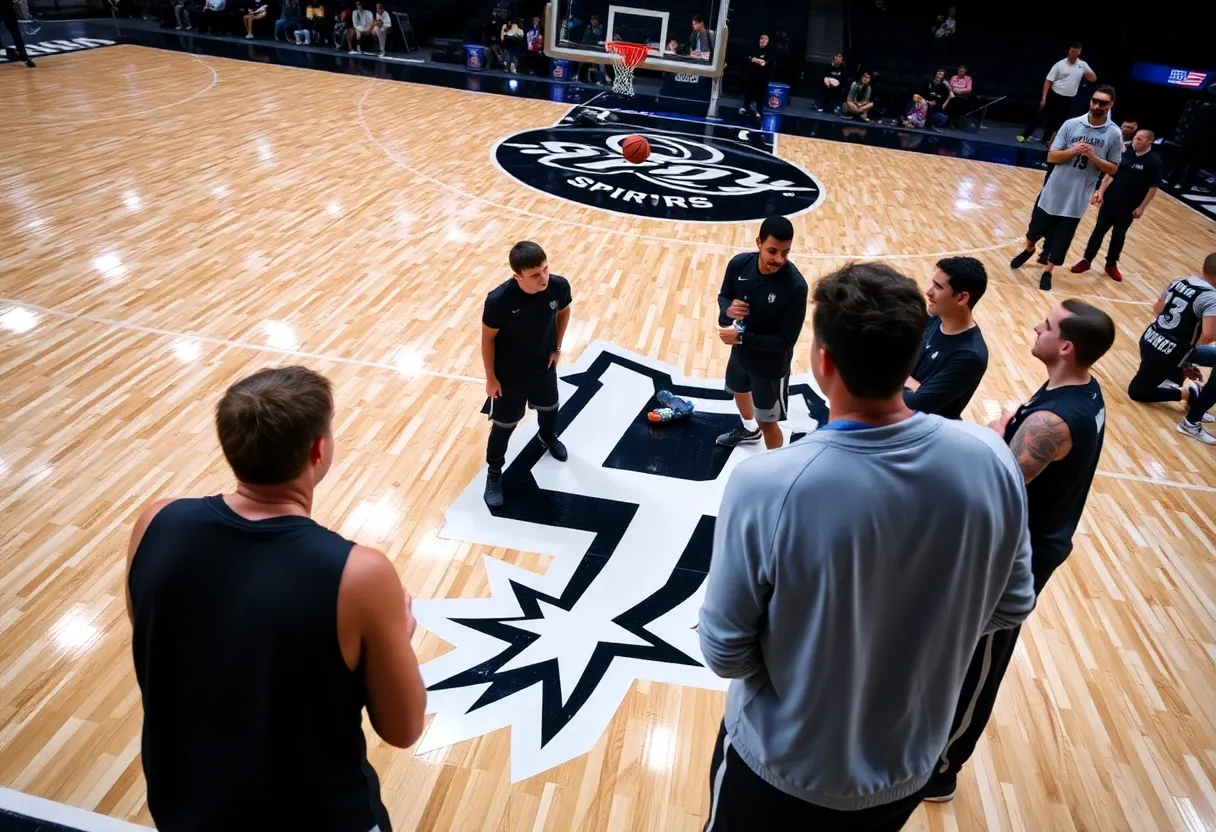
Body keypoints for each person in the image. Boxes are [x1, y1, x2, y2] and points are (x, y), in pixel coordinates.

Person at [698, 262, 1035, 830]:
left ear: (823, 361)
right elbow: (1012, 604)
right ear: (911, 360)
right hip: (905, 768)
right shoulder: (993, 459)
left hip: (781, 769)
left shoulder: (769, 484)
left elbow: (726, 651)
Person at [127, 366, 427, 832]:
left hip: (186, 804)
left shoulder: (155, 522)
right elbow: (403, 730)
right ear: (318, 450)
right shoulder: (361, 575)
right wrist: (396, 640)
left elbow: (159, 639)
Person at [924, 300, 1114, 802]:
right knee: (960, 647)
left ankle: (942, 769)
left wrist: (994, 437)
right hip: (1018, 540)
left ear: (1066, 346)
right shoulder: (1080, 389)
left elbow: (996, 487)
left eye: (1047, 326)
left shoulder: (1055, 420)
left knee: (982, 656)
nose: (1036, 325)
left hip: (1018, 555)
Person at [481, 241, 572, 507]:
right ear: (517, 276)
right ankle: (494, 472)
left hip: (543, 366)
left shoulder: (558, 286)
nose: (543, 278)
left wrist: (556, 346)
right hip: (508, 375)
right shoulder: (498, 300)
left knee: (550, 408)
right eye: (534, 275)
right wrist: (491, 378)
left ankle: (547, 437)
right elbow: (487, 339)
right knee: (504, 427)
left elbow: (564, 311)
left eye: (545, 269)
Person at [1010, 85, 1121, 291]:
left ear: (1110, 105)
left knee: (1061, 240)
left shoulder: (1113, 134)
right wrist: (1073, 151)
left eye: (1102, 103)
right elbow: (1051, 156)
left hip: (1077, 197)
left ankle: (1048, 272)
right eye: (1094, 101)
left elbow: (1114, 169)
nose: (1097, 105)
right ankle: (1028, 250)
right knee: (1033, 232)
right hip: (1054, 190)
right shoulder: (1071, 124)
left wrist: (1094, 157)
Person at [714, 216, 807, 450]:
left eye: (785, 253)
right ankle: (748, 428)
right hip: (741, 352)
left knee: (768, 423)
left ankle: (774, 472)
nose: (779, 259)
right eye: (773, 251)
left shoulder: (795, 287)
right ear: (759, 243)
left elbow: (786, 342)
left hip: (771, 365)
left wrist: (741, 338)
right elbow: (724, 297)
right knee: (738, 389)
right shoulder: (739, 265)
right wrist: (729, 310)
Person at [1126, 254, 1216, 444]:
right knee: (1138, 392)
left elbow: (1157, 309)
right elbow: (1208, 336)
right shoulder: (1212, 298)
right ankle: (1191, 406)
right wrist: (1187, 357)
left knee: (1141, 388)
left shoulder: (1181, 280)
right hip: (1169, 352)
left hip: (1150, 339)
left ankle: (1181, 385)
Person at [1071, 129, 1162, 282]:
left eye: (1139, 139)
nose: (1135, 141)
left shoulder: (1154, 162)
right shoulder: (1125, 155)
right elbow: (1110, 174)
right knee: (1098, 231)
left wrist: (1142, 207)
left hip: (1129, 206)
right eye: (1135, 138)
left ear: (1149, 142)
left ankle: (1111, 264)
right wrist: (1100, 192)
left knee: (1119, 235)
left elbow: (1153, 188)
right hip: (1111, 201)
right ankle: (1086, 260)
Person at [904, 257, 989, 419]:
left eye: (938, 287)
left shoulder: (969, 356)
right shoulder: (934, 320)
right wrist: (914, 385)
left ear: (962, 298)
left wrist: (894, 378)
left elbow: (916, 405)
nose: (928, 292)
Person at [1019, 43, 1097, 145]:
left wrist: (1084, 73)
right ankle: (1025, 135)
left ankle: (1046, 139)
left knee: (1056, 120)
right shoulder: (1060, 64)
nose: (1072, 53)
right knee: (1040, 116)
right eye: (1071, 51)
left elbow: (1093, 78)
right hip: (1055, 94)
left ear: (1079, 53)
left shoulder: (1082, 65)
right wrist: (1044, 98)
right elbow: (1048, 81)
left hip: (1068, 98)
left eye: (1075, 52)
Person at [739, 34, 770, 119]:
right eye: (761, 38)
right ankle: (745, 106)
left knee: (761, 92)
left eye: (765, 39)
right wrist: (753, 59)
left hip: (763, 75)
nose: (763, 40)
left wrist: (764, 62)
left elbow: (770, 62)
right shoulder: (753, 48)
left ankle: (759, 109)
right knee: (749, 90)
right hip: (752, 73)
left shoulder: (769, 51)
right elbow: (748, 57)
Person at [0, 0, 33, 66]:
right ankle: (24, 56)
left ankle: (24, 56)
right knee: (16, 34)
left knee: (16, 33)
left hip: (8, 9)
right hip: (7, 8)